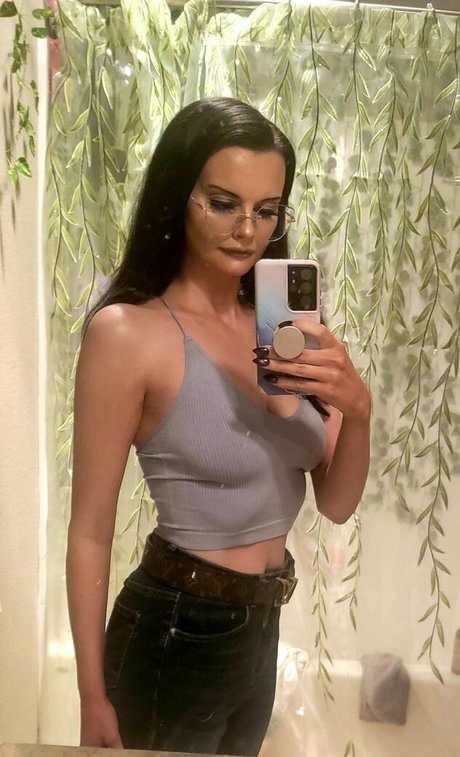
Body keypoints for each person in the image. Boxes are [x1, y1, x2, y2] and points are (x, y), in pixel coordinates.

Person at [66, 96, 371, 757]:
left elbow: (338, 504)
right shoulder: (129, 334)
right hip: (176, 628)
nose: (247, 230)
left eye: (267, 209)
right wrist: (91, 692)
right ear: (178, 197)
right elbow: (89, 530)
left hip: (261, 629)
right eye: (223, 203)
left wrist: (359, 408)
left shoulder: (285, 328)